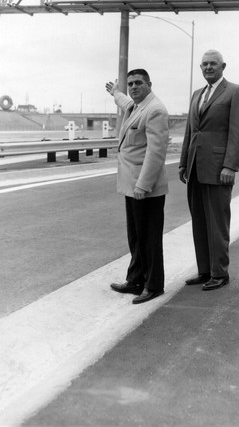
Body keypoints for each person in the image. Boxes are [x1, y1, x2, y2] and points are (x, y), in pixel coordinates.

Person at [179, 50, 239, 290]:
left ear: (223, 66)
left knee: (218, 222)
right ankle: (204, 270)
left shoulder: (235, 91)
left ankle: (220, 273)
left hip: (219, 168)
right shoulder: (197, 94)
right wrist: (182, 162)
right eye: (205, 64)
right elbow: (191, 132)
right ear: (200, 67)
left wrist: (230, 165)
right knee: (199, 220)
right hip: (195, 167)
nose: (208, 67)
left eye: (213, 64)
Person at [105, 69, 169, 304]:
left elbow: (156, 152)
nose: (133, 87)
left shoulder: (155, 110)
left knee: (149, 238)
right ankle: (135, 280)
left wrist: (143, 185)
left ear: (149, 84)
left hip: (146, 189)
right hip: (132, 187)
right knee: (136, 237)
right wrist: (116, 92)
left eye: (138, 83)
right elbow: (125, 103)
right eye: (130, 83)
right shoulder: (136, 105)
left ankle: (153, 285)